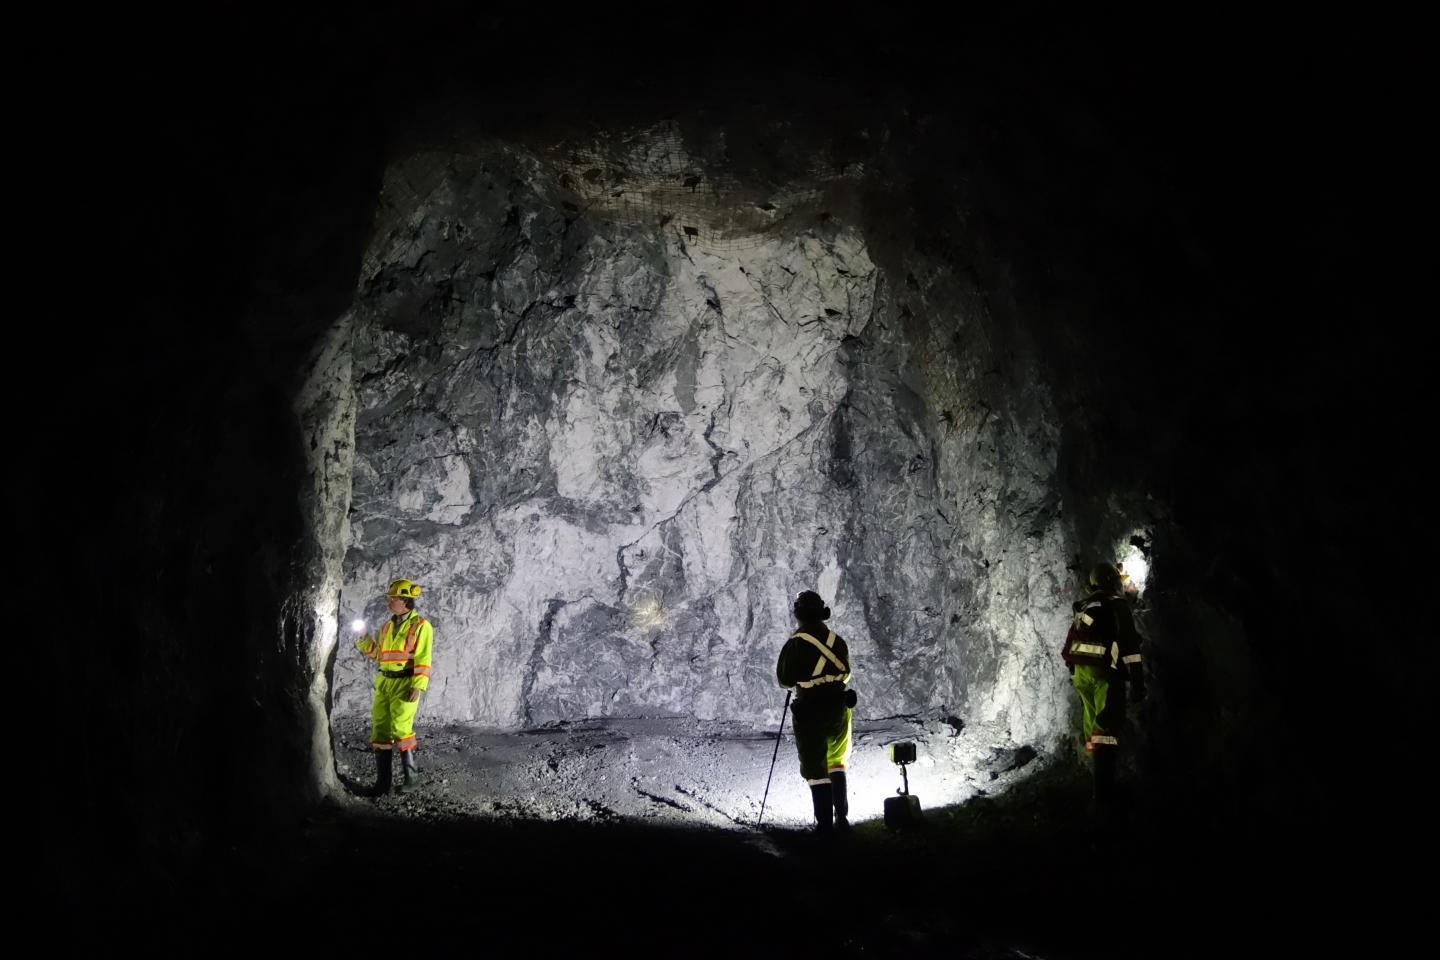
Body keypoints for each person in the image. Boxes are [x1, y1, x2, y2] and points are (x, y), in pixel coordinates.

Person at [1061, 563, 1145, 823]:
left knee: (1092, 727)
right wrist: (1138, 680)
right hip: (1104, 672)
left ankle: (1094, 779)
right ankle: (1104, 798)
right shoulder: (1117, 605)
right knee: (1106, 731)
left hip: (1081, 672)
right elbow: (1129, 645)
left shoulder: (1086, 605)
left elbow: (1075, 639)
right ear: (1113, 581)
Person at [776, 590, 855, 835]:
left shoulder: (797, 642)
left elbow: (784, 680)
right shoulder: (837, 641)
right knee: (837, 761)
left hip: (811, 710)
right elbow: (846, 673)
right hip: (839, 709)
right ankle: (842, 818)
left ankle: (823, 826)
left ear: (799, 614)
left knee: (815, 766)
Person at [355, 578, 434, 795]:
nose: (389, 601)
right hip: (385, 682)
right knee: (380, 729)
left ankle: (412, 779)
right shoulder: (387, 626)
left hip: (405, 682)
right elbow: (379, 655)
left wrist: (418, 685)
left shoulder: (421, 626)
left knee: (401, 728)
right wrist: (363, 639)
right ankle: (383, 784)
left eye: (393, 598)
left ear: (405, 601)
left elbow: (423, 657)